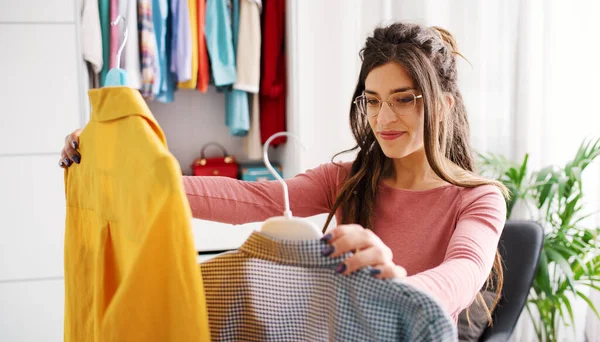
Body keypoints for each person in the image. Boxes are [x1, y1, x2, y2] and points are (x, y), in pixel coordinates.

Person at [59, 22, 508, 324]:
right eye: (372, 100)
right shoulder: (348, 178)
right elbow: (254, 200)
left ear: (444, 105)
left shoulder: (480, 198)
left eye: (403, 98)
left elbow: (463, 274)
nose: (383, 117)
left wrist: (397, 283)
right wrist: (131, 174)